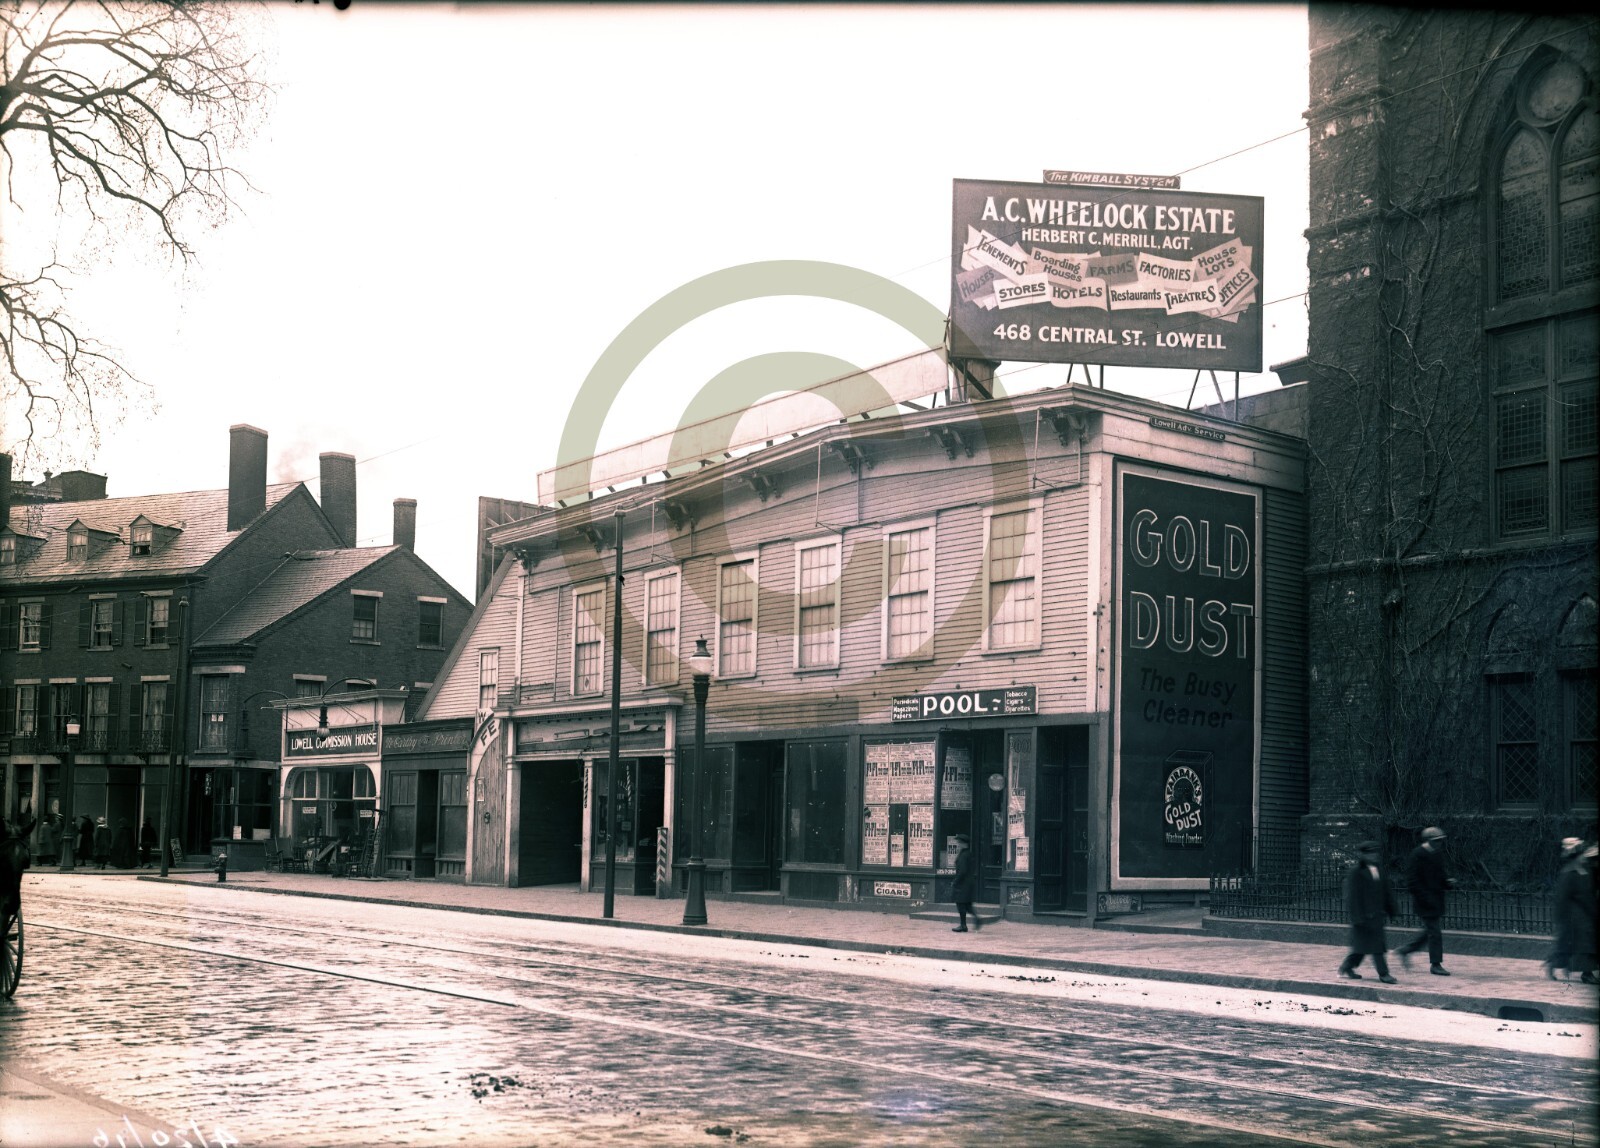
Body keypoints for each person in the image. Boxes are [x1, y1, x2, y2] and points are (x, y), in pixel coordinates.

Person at [1397, 825, 1456, 976]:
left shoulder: (1437, 854)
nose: (1439, 844)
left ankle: (1405, 950)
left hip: (1436, 900)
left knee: (1429, 931)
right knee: (1435, 932)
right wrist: (1425, 898)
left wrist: (1447, 883)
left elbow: (1441, 875)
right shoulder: (1417, 855)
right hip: (1424, 901)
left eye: (1441, 841)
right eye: (1436, 841)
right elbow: (1412, 881)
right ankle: (1435, 964)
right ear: (1428, 840)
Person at [1339, 840, 1397, 983]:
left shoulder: (1378, 869)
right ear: (1362, 855)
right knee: (1376, 947)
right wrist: (1356, 917)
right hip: (1364, 917)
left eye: (1375, 853)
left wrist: (1392, 909)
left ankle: (1347, 966)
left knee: (1362, 948)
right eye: (1369, 853)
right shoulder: (1356, 872)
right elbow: (1352, 897)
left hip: (1377, 915)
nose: (1373, 856)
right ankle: (1384, 974)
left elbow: (1386, 891)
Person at [1547, 838, 1597, 984]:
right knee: (1579, 945)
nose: (1585, 858)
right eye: (1582, 856)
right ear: (1576, 856)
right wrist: (1562, 917)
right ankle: (1583, 972)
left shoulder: (1583, 871)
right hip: (1574, 917)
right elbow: (1562, 897)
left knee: (1585, 945)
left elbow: (1588, 894)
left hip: (1584, 915)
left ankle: (1585, 972)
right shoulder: (1569, 872)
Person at [950, 834, 981, 933]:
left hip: (963, 884)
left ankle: (963, 925)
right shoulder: (968, 853)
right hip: (968, 883)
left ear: (964, 844)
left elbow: (962, 871)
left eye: (959, 843)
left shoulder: (964, 855)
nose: (958, 844)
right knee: (967, 905)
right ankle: (976, 920)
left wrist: (955, 881)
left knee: (960, 903)